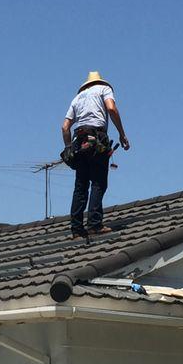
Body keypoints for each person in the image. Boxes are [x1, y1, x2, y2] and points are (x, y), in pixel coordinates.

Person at [61, 71, 130, 239]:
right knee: (98, 182)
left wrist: (69, 147)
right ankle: (94, 224)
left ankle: (76, 229)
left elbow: (64, 127)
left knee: (81, 186)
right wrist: (122, 134)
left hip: (79, 142)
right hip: (96, 139)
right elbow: (111, 109)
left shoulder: (77, 99)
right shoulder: (103, 89)